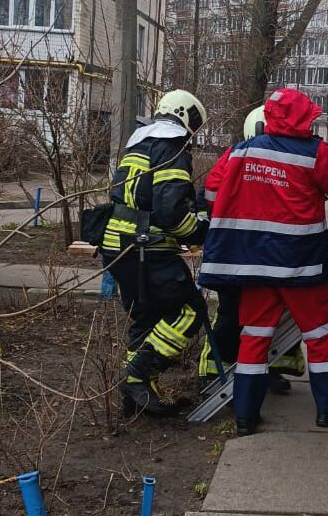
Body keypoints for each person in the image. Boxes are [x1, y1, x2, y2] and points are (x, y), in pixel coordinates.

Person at [199, 88, 328, 435]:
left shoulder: (239, 151)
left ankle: (245, 417)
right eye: (310, 117)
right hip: (301, 265)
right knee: (320, 336)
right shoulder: (315, 153)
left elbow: (211, 193)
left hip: (253, 265)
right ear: (300, 119)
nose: (314, 122)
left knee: (253, 336)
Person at [100, 90, 211, 416]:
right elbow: (170, 212)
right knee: (190, 312)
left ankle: (133, 402)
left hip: (119, 247)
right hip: (147, 249)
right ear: (187, 117)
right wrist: (200, 231)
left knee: (146, 316)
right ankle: (138, 375)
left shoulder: (139, 142)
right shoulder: (172, 146)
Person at [197, 106, 307, 394]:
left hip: (233, 257)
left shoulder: (234, 156)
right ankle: (249, 370)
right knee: (265, 314)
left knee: (234, 314)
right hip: (273, 256)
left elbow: (209, 194)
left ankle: (223, 371)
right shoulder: (291, 156)